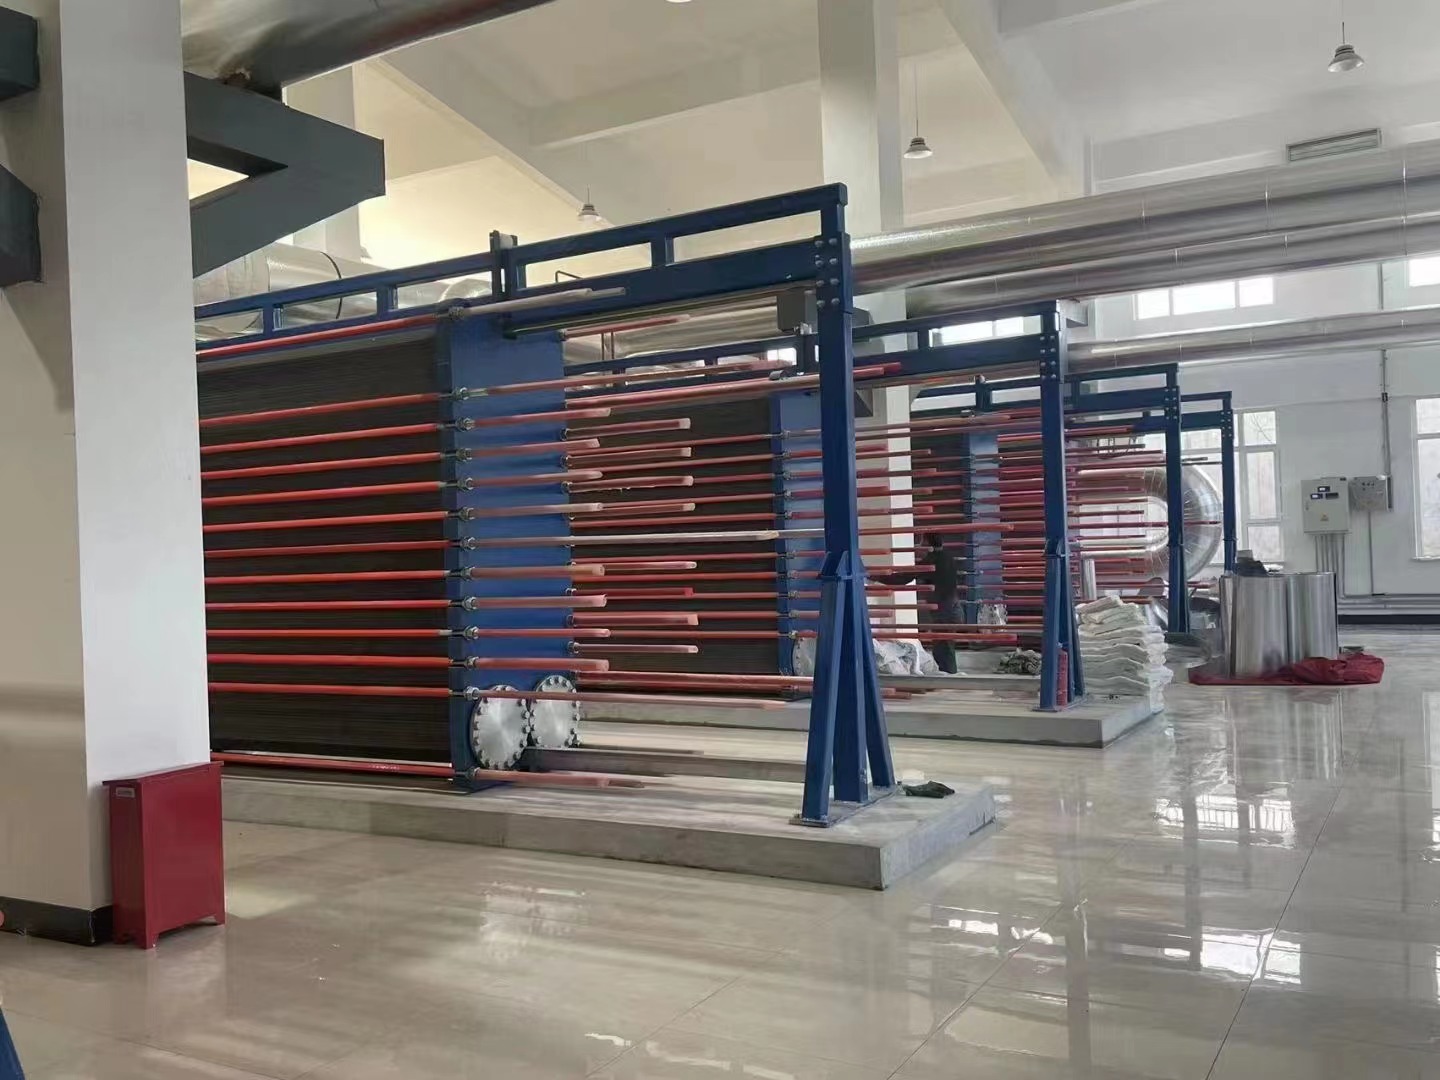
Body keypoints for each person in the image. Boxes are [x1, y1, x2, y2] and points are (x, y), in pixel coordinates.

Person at [881, 533, 962, 674]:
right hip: (954, 607)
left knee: (943, 648)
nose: (918, 546)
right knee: (946, 646)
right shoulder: (948, 557)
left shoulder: (932, 561)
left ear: (927, 544)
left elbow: (903, 578)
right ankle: (949, 675)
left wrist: (874, 576)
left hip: (944, 610)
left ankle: (949, 678)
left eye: (921, 542)